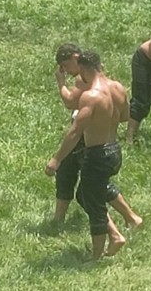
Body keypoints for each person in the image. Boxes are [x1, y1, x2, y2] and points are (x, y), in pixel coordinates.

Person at [42, 49, 129, 260]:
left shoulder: (91, 96)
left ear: (82, 68)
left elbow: (75, 132)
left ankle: (98, 255)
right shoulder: (117, 87)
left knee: (94, 202)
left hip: (97, 153)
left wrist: (57, 159)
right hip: (114, 149)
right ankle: (116, 233)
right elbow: (126, 116)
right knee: (85, 194)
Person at [50, 45, 143, 232]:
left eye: (65, 67)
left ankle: (113, 234)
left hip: (91, 141)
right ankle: (129, 219)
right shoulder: (115, 85)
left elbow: (71, 107)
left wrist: (61, 83)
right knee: (95, 185)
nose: (67, 72)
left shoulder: (84, 83)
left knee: (83, 187)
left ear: (76, 60)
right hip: (112, 145)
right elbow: (125, 115)